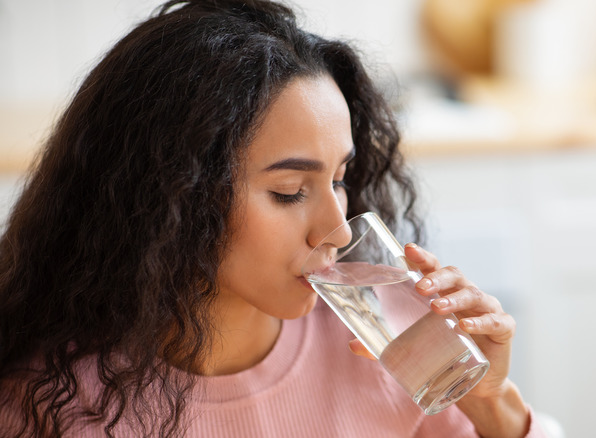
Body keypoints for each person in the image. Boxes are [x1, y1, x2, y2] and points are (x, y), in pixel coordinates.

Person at [0, 1, 547, 437]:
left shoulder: (395, 357)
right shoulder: (53, 404)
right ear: (172, 194)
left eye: (338, 179)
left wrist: (492, 407)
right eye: (289, 191)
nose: (337, 228)